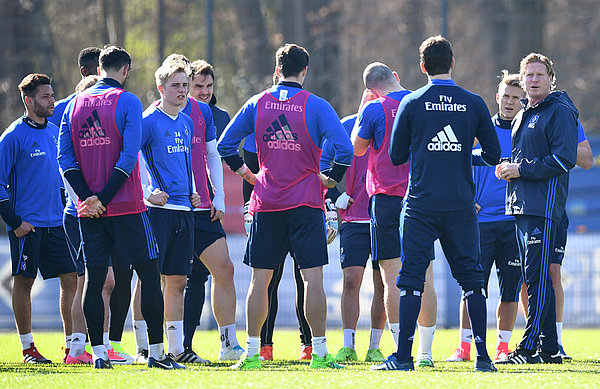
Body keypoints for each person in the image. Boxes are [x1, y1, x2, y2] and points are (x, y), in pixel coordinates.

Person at [218, 43, 354, 369]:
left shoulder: (257, 103)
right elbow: (345, 150)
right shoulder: (316, 105)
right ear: (304, 71)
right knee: (312, 280)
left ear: (277, 70)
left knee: (259, 281)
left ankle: (252, 353)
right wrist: (332, 179)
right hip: (306, 203)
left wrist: (246, 173)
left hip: (266, 203)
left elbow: (225, 144)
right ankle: (319, 353)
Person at [372, 36, 501, 372]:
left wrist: (426, 151)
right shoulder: (473, 103)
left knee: (411, 278)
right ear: (452, 63)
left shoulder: (411, 103)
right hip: (460, 205)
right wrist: (462, 154)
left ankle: (403, 357)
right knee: (473, 280)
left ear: (422, 66)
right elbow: (492, 154)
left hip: (420, 204)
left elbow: (397, 155)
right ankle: (484, 359)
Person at [58, 45, 180, 369]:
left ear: (99, 69)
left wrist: (89, 199)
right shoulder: (127, 101)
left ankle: (98, 355)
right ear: (125, 70)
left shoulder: (74, 105)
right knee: (150, 276)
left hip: (91, 213)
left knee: (94, 280)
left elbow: (64, 160)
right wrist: (105, 198)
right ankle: (156, 354)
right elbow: (129, 157)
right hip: (126, 207)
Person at [351, 62, 438, 367]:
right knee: (424, 274)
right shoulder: (423, 101)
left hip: (386, 199)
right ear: (397, 78)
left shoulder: (374, 109)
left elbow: (356, 150)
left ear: (371, 89)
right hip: (422, 197)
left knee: (392, 278)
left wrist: (365, 109)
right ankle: (426, 354)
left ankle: (403, 352)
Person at [495, 52, 578, 365]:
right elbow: (522, 160)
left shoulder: (560, 110)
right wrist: (507, 167)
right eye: (528, 75)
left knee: (538, 279)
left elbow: (562, 159)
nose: (533, 80)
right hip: (521, 207)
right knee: (533, 279)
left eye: (539, 75)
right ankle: (549, 348)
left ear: (551, 78)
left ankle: (527, 348)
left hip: (543, 208)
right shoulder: (523, 113)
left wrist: (520, 169)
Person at [446, 71, 525, 363]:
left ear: (523, 101)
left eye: (516, 97)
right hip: (479, 225)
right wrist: (468, 201)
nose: (509, 102)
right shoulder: (479, 129)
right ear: (497, 97)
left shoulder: (526, 132)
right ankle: (465, 348)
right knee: (472, 287)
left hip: (514, 222)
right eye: (505, 95)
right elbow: (458, 164)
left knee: (510, 290)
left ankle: (503, 348)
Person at [0, 73, 77, 363]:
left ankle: (72, 347)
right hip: (27, 226)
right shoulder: (13, 136)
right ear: (28, 101)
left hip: (57, 223)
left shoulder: (55, 130)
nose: (52, 101)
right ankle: (28, 348)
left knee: (71, 280)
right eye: (46, 97)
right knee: (24, 283)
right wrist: (15, 221)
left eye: (52, 95)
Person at [517, 123, 592, 360]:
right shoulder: (516, 120)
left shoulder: (561, 118)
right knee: (526, 277)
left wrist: (556, 141)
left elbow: (587, 159)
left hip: (552, 210)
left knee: (551, 271)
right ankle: (536, 336)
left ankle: (554, 341)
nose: (512, 101)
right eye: (507, 96)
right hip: (517, 207)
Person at [321, 112, 387, 363]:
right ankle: (348, 346)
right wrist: (334, 195)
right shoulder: (346, 125)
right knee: (351, 281)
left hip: (384, 217)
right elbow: (323, 162)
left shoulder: (392, 121)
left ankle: (374, 346)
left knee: (382, 283)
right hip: (353, 218)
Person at [189, 59, 231, 137]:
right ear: (187, 86)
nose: (205, 92)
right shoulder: (178, 116)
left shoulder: (223, 118)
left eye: (209, 86)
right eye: (199, 86)